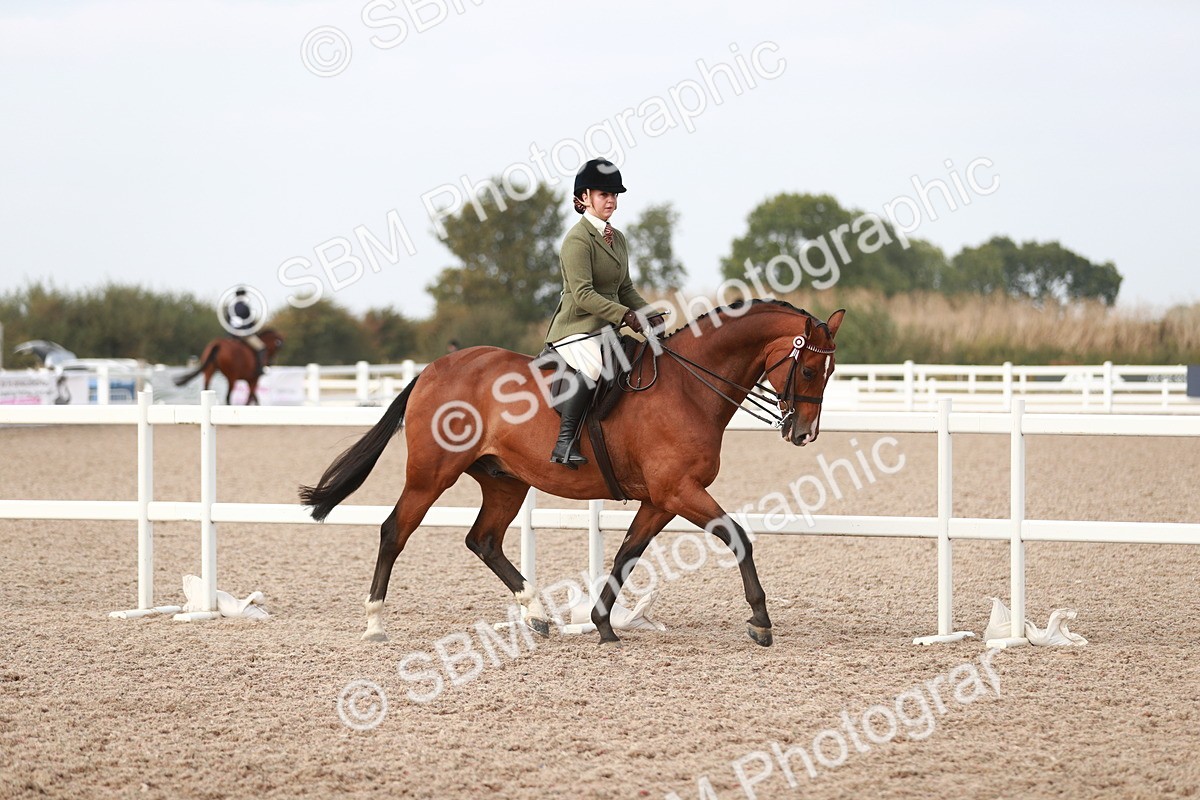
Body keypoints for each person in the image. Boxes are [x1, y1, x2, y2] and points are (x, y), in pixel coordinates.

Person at [543, 158, 662, 469]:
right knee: (596, 366)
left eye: (614, 195)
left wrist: (648, 314)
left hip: (605, 328)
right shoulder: (577, 240)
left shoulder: (617, 238)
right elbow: (582, 296)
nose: (610, 201)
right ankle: (564, 442)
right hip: (576, 328)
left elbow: (625, 288)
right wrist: (626, 316)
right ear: (584, 198)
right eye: (603, 194)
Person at [224, 288, 267, 375]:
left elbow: (228, 322)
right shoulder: (245, 307)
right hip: (244, 334)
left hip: (232, 335)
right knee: (261, 347)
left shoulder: (230, 307)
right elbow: (250, 322)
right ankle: (260, 369)